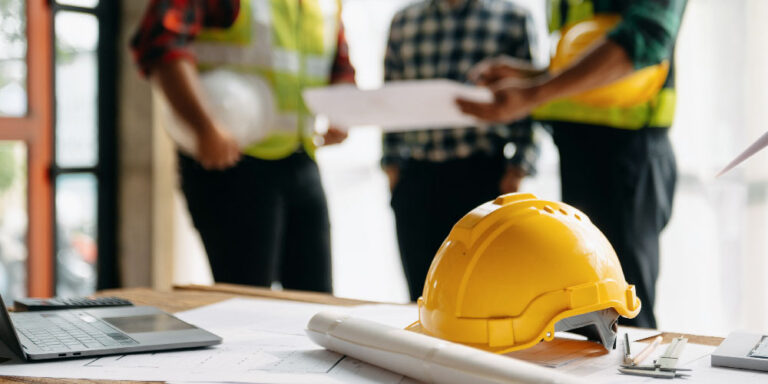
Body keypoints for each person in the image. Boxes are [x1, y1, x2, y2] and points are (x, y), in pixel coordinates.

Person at [457, 0, 688, 328]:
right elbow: (587, 53)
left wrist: (535, 91)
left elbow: (643, 40)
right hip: (580, 151)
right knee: (588, 310)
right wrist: (532, 76)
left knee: (624, 316)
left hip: (628, 155)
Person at [130, 0, 355, 292]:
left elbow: (341, 66)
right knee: (246, 303)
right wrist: (204, 128)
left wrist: (342, 109)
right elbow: (161, 45)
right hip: (232, 164)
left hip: (301, 158)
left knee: (315, 301)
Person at [383, 0, 541, 301]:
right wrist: (392, 171)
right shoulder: (404, 21)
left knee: (484, 296)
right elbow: (391, 97)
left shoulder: (513, 18)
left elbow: (529, 104)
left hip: (483, 177)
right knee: (423, 296)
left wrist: (518, 169)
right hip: (417, 177)